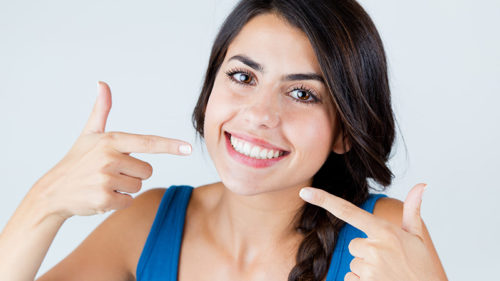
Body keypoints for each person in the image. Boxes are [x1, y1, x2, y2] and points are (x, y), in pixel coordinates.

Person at [0, 0, 448, 280]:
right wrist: (46, 201)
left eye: (302, 93)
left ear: (345, 132)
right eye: (242, 76)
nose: (259, 115)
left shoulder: (383, 237)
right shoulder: (146, 224)